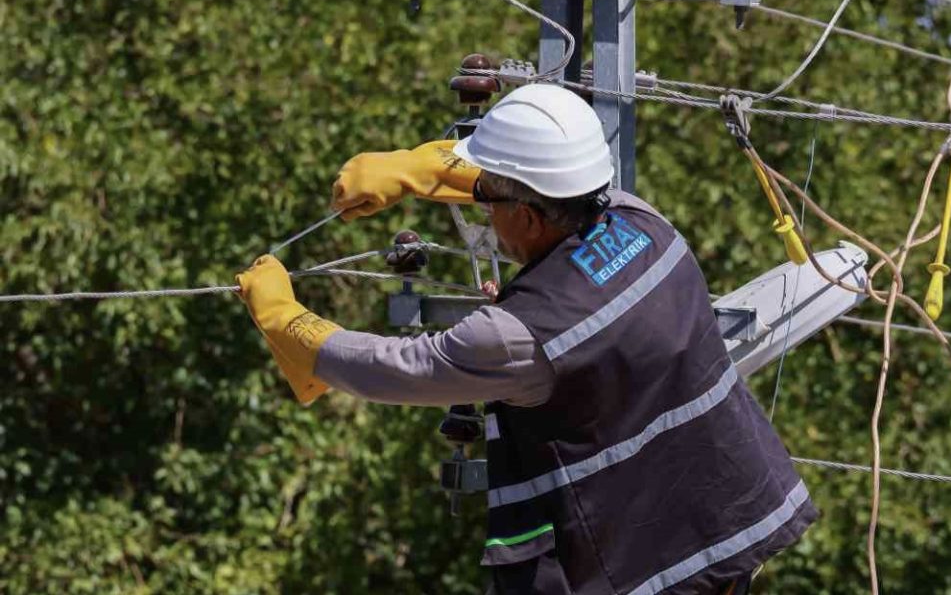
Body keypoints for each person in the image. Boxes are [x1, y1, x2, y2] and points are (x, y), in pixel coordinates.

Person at [237, 84, 817, 594]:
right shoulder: (647, 225)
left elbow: (404, 367)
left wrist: (291, 323)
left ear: (532, 220)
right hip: (725, 526)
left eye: (488, 200)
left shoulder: (520, 334)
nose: (482, 211)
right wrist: (420, 170)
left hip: (638, 567)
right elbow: (551, 186)